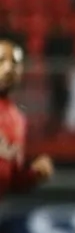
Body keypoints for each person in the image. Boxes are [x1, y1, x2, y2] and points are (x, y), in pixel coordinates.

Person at [0, 40, 54, 201]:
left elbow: (11, 179)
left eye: (15, 62)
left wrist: (33, 174)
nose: (9, 68)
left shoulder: (17, 119)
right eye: (1, 61)